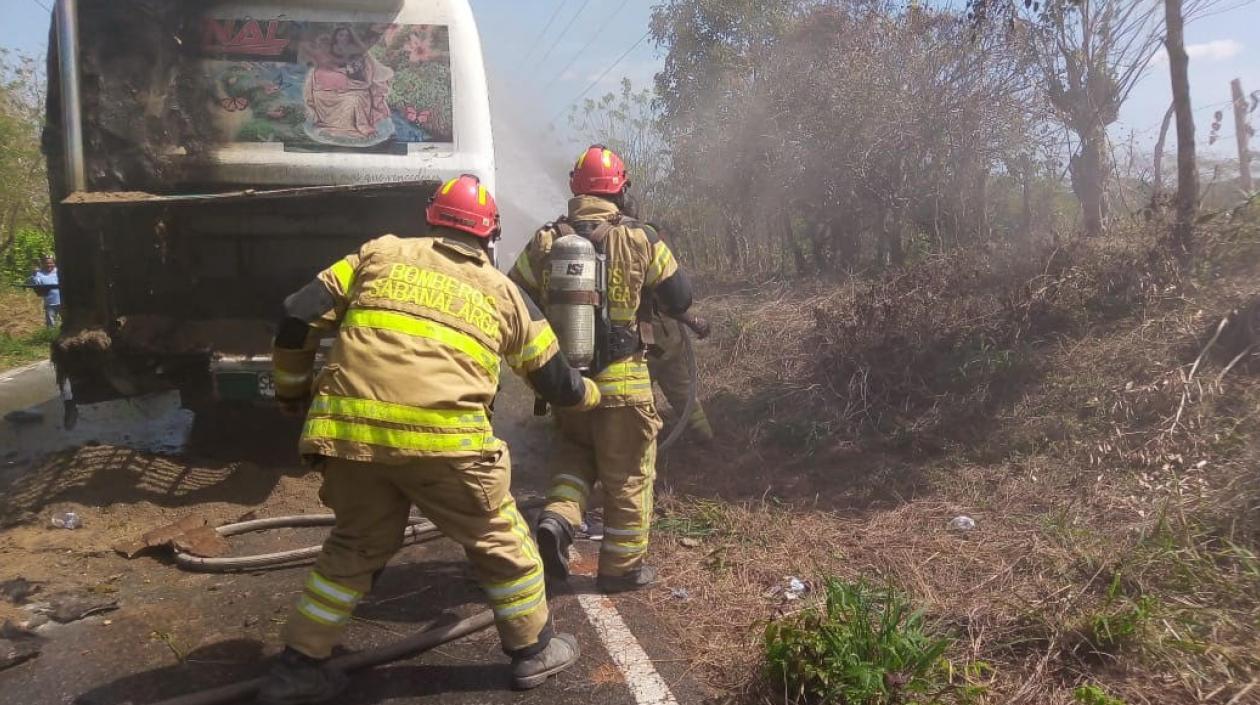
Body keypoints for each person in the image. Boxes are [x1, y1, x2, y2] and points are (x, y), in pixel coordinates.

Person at [260, 175, 601, 704]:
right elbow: (557, 381)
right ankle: (534, 651)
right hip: (447, 447)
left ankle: (299, 666)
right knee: (500, 540)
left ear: (431, 218)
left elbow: (295, 315)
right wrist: (593, 399)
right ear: (491, 237)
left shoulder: (378, 255)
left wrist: (291, 393)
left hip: (351, 439)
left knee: (355, 544)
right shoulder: (503, 293)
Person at [509, 145, 695, 593]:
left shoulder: (545, 239)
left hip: (570, 386)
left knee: (576, 457)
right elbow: (680, 299)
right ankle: (621, 570)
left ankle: (557, 519)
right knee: (629, 476)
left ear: (575, 187)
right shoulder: (642, 238)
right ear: (621, 189)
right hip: (625, 385)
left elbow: (514, 297)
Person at [27, 256, 61, 329]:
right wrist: (33, 274)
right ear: (43, 264)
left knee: (64, 323)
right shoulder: (39, 274)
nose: (49, 265)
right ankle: (51, 337)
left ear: (54, 263)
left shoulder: (60, 271)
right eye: (46, 263)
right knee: (51, 325)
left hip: (64, 302)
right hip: (49, 303)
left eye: (51, 263)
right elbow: (34, 283)